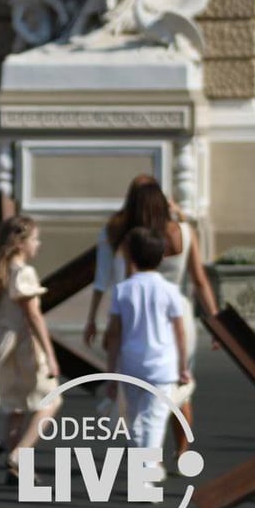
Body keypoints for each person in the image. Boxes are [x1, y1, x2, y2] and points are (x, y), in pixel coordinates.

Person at [83, 174, 217, 465]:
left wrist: (94, 319)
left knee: (134, 390)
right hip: (176, 314)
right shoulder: (182, 231)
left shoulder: (117, 234)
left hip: (131, 315)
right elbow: (200, 280)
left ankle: (146, 456)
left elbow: (102, 279)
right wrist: (216, 321)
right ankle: (181, 452)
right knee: (180, 388)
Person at [0, 215, 62, 485]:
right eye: (35, 239)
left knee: (15, 406)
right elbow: (34, 316)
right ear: (20, 243)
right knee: (51, 400)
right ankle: (19, 455)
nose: (38, 244)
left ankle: (15, 470)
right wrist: (50, 355)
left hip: (3, 345)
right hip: (26, 346)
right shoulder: (23, 272)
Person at [104, 227, 190, 482]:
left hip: (131, 364)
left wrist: (111, 373)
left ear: (131, 257)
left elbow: (115, 335)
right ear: (162, 257)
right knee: (154, 420)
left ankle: (144, 470)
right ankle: (146, 474)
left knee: (134, 420)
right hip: (162, 366)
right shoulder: (170, 290)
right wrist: (183, 366)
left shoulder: (122, 291)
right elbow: (180, 333)